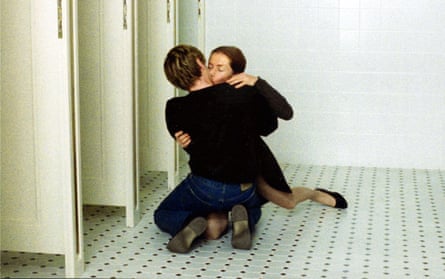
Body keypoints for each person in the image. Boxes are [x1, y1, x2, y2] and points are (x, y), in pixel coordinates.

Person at [175, 46, 348, 240]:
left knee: (288, 202)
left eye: (220, 68)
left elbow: (284, 114)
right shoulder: (200, 98)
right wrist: (186, 143)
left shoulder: (244, 92)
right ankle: (236, 217)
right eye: (210, 66)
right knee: (216, 215)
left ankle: (314, 194)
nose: (212, 72)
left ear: (235, 73)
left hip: (250, 161)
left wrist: (257, 82)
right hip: (219, 172)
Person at [154, 44, 278, 253]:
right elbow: (269, 127)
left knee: (164, 212)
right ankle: (245, 219)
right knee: (254, 205)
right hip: (243, 188)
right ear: (201, 64)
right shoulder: (240, 92)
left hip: (205, 188)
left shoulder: (174, 108)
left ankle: (191, 223)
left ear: (174, 79)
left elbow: (195, 148)